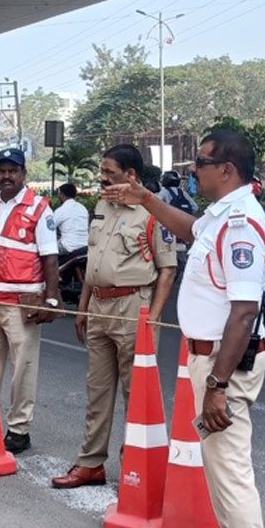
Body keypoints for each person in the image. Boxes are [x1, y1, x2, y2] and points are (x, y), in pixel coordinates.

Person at [103, 128, 265, 528]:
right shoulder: (220, 216)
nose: (193, 170)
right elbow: (191, 230)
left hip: (223, 363)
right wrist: (146, 198)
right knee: (219, 472)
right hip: (209, 358)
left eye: (200, 163)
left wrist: (217, 385)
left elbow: (244, 312)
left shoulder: (240, 225)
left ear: (227, 169)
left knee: (230, 474)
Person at [53, 144, 177, 489]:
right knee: (97, 391)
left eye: (109, 172)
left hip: (133, 307)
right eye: (102, 171)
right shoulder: (102, 206)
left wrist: (151, 318)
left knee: (137, 395)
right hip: (98, 307)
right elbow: (94, 261)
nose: (102, 177)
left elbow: (167, 271)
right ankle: (90, 463)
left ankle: (136, 466)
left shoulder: (153, 211)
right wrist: (82, 307)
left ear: (131, 175)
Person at [0, 147, 62, 455]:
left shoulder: (39, 208)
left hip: (22, 303)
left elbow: (50, 258)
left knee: (23, 370)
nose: (6, 176)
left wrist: (52, 299)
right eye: (1, 171)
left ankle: (19, 430)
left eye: (12, 171)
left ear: (23, 174)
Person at [53, 182, 89, 258]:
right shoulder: (83, 208)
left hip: (68, 247)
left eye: (59, 194)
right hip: (85, 246)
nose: (58, 196)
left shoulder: (61, 210)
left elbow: (49, 227)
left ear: (62, 195)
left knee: (45, 249)